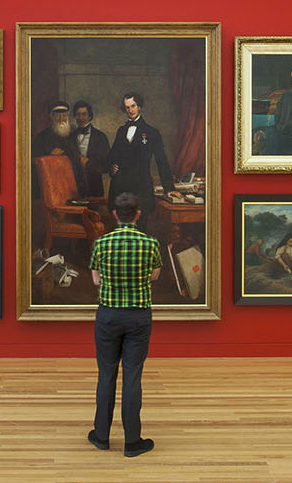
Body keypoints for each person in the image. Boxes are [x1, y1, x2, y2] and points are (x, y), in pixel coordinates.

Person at [87, 193, 162, 458]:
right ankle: (132, 442)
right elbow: (154, 275)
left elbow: (96, 281)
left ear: (115, 214)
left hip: (108, 316)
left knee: (106, 374)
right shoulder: (150, 243)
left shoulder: (102, 243)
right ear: (138, 214)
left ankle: (101, 436)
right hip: (138, 317)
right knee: (132, 375)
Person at [107, 92, 174, 231]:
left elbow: (162, 161)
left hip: (141, 188)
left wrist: (170, 188)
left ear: (140, 107)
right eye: (127, 107)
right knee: (122, 231)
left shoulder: (151, 132)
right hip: (121, 187)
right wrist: (111, 167)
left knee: (140, 229)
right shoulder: (121, 131)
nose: (130, 110)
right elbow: (112, 155)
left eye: (133, 106)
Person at [71, 100, 112, 198]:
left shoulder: (100, 137)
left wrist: (88, 164)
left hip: (94, 188)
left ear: (90, 116)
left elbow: (107, 166)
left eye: (84, 114)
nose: (80, 118)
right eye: (77, 115)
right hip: (73, 188)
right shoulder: (70, 137)